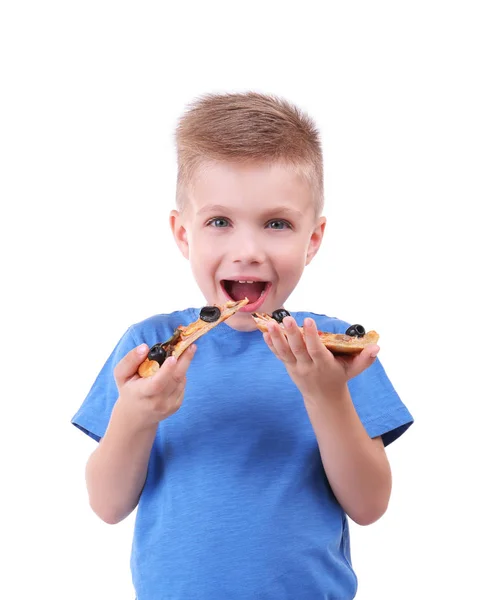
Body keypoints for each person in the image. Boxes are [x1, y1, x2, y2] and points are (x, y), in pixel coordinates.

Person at [72, 92, 414, 600]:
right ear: (183, 234)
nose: (248, 251)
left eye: (277, 224)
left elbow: (369, 506)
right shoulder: (150, 348)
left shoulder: (336, 354)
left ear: (313, 239)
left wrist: (326, 395)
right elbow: (107, 505)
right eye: (219, 222)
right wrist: (136, 416)